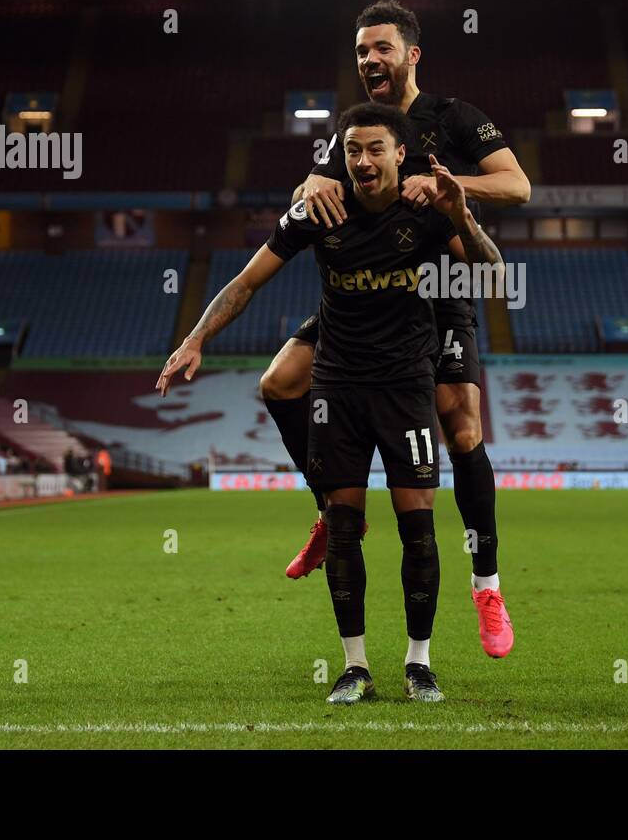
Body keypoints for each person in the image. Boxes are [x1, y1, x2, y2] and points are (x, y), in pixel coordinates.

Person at [158, 103, 505, 704]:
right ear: (340, 157)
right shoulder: (317, 211)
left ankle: (419, 665)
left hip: (405, 386)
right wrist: (195, 338)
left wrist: (461, 212)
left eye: (375, 150)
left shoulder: (426, 213)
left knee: (417, 531)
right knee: (344, 531)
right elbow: (244, 283)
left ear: (402, 154)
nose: (363, 162)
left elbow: (492, 274)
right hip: (338, 387)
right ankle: (355, 667)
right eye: (352, 151)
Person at [263, 0, 529, 659]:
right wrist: (309, 191)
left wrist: (446, 187)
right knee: (279, 382)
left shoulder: (456, 118)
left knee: (461, 423)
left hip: (439, 286)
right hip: (365, 297)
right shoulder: (358, 130)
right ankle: (330, 508)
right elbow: (309, 187)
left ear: (411, 55)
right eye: (361, 52)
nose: (369, 61)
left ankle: (487, 583)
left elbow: (518, 186)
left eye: (381, 48)